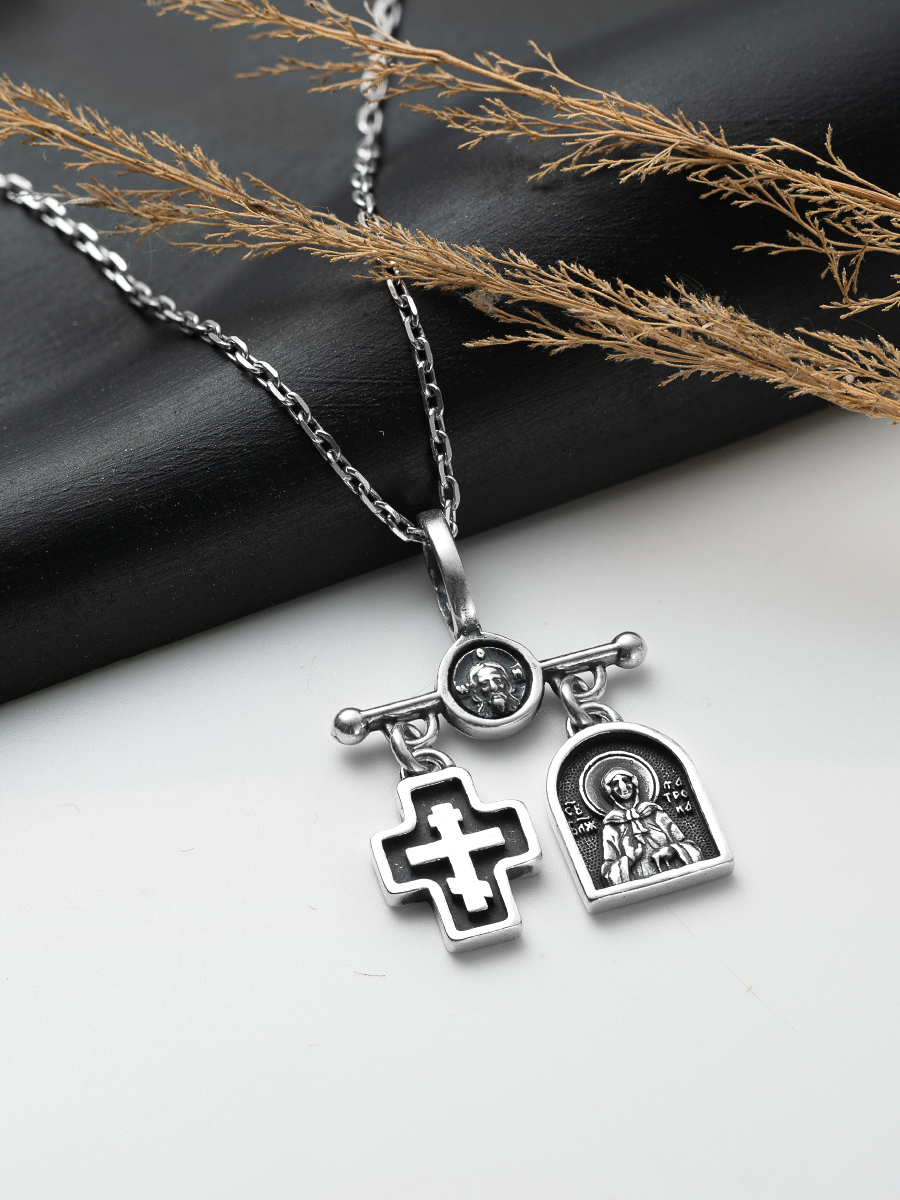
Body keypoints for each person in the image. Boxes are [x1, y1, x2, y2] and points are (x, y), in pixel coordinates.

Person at [599, 768, 701, 886]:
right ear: (609, 791)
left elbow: (690, 847)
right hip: (641, 887)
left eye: (625, 780)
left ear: (634, 783)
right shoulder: (611, 827)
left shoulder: (655, 813)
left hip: (678, 878)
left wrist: (672, 850)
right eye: (615, 784)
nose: (623, 787)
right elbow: (608, 873)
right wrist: (629, 859)